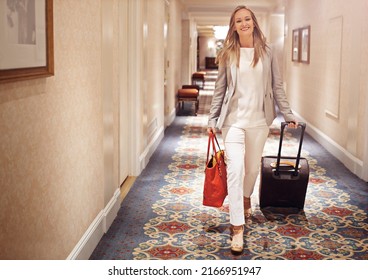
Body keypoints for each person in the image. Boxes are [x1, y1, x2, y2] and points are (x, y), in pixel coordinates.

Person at [207, 5, 298, 254]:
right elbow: (220, 89)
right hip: (233, 121)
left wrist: (287, 113)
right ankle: (237, 226)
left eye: (247, 19)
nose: (244, 23)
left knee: (252, 168)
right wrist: (212, 119)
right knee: (234, 171)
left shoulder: (267, 52)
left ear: (254, 22)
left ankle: (246, 197)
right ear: (233, 26)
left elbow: (277, 86)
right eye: (239, 20)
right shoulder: (228, 53)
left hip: (259, 120)